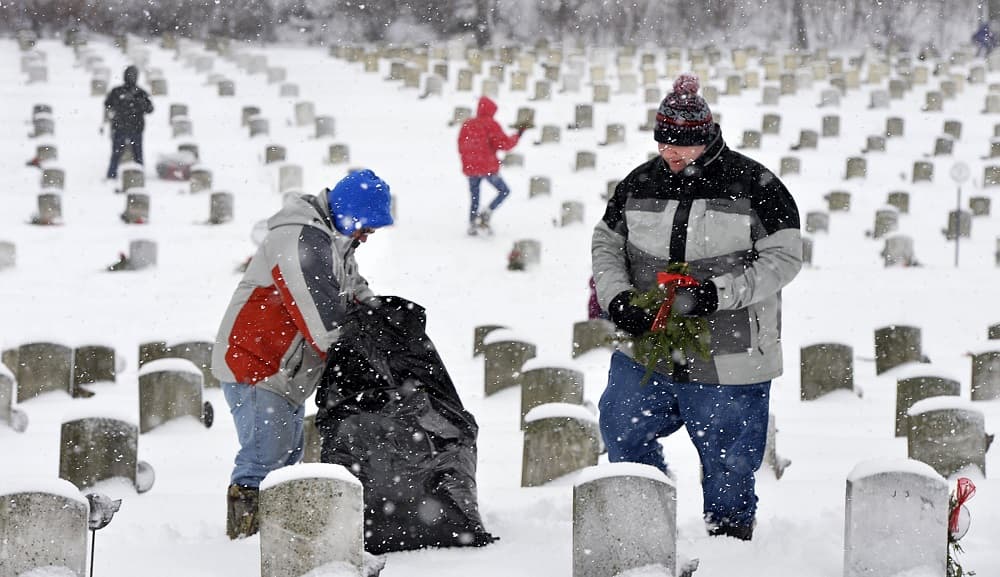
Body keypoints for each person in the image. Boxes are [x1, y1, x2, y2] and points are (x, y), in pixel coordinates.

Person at [591, 74, 802, 541]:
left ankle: (728, 552)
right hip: (648, 347)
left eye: (682, 145)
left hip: (731, 353)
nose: (672, 153)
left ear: (706, 137)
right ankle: (647, 527)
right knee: (622, 425)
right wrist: (618, 297)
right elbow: (607, 245)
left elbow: (784, 259)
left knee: (729, 463)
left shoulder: (756, 185)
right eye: (664, 142)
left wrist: (715, 294)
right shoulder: (638, 183)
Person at [211, 169, 394, 539]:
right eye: (367, 224)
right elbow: (322, 324)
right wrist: (361, 353)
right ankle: (244, 538)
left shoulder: (334, 238)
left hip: (287, 370)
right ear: (346, 211)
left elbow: (353, 288)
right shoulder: (299, 242)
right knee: (265, 458)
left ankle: (274, 537)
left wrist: (384, 319)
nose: (369, 234)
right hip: (257, 365)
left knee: (286, 459)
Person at [457, 95, 524, 235]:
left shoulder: (467, 124)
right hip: (488, 167)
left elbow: (461, 145)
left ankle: (473, 223)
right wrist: (518, 135)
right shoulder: (491, 124)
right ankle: (486, 213)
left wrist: (469, 160)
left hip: (471, 168)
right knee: (504, 191)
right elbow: (504, 144)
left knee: (475, 196)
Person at [103, 65, 153, 179]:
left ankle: (138, 176)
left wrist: (139, 103)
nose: (131, 78)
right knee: (118, 154)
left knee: (136, 155)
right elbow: (108, 105)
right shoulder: (118, 91)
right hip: (123, 127)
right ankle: (113, 175)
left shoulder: (139, 93)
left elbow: (150, 109)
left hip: (133, 128)